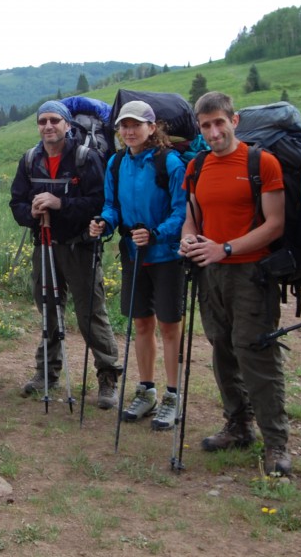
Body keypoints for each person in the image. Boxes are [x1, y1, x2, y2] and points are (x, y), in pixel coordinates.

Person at [179, 91, 292, 476]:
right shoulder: (196, 167)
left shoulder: (264, 163)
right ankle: (238, 425)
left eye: (219, 123)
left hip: (251, 273)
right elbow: (193, 216)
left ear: (234, 120)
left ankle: (276, 442)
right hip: (210, 272)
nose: (213, 132)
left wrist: (225, 249)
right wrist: (188, 238)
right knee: (222, 348)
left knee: (256, 352)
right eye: (206, 125)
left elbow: (274, 224)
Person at [10, 100, 121, 408]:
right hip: (43, 245)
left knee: (90, 314)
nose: (48, 126)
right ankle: (46, 373)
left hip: (80, 247)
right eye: (42, 121)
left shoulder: (86, 159)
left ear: (68, 125)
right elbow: (16, 203)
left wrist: (59, 204)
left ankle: (108, 377)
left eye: (54, 120)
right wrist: (31, 213)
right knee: (48, 311)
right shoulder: (30, 159)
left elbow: (99, 202)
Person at [89, 101, 187, 431]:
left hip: (167, 255)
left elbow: (182, 210)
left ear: (151, 127)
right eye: (123, 126)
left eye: (135, 125)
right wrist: (103, 221)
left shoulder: (169, 163)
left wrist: (157, 233)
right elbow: (111, 205)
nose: (129, 131)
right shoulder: (117, 163)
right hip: (133, 253)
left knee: (170, 327)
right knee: (141, 325)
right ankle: (147, 390)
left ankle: (173, 396)